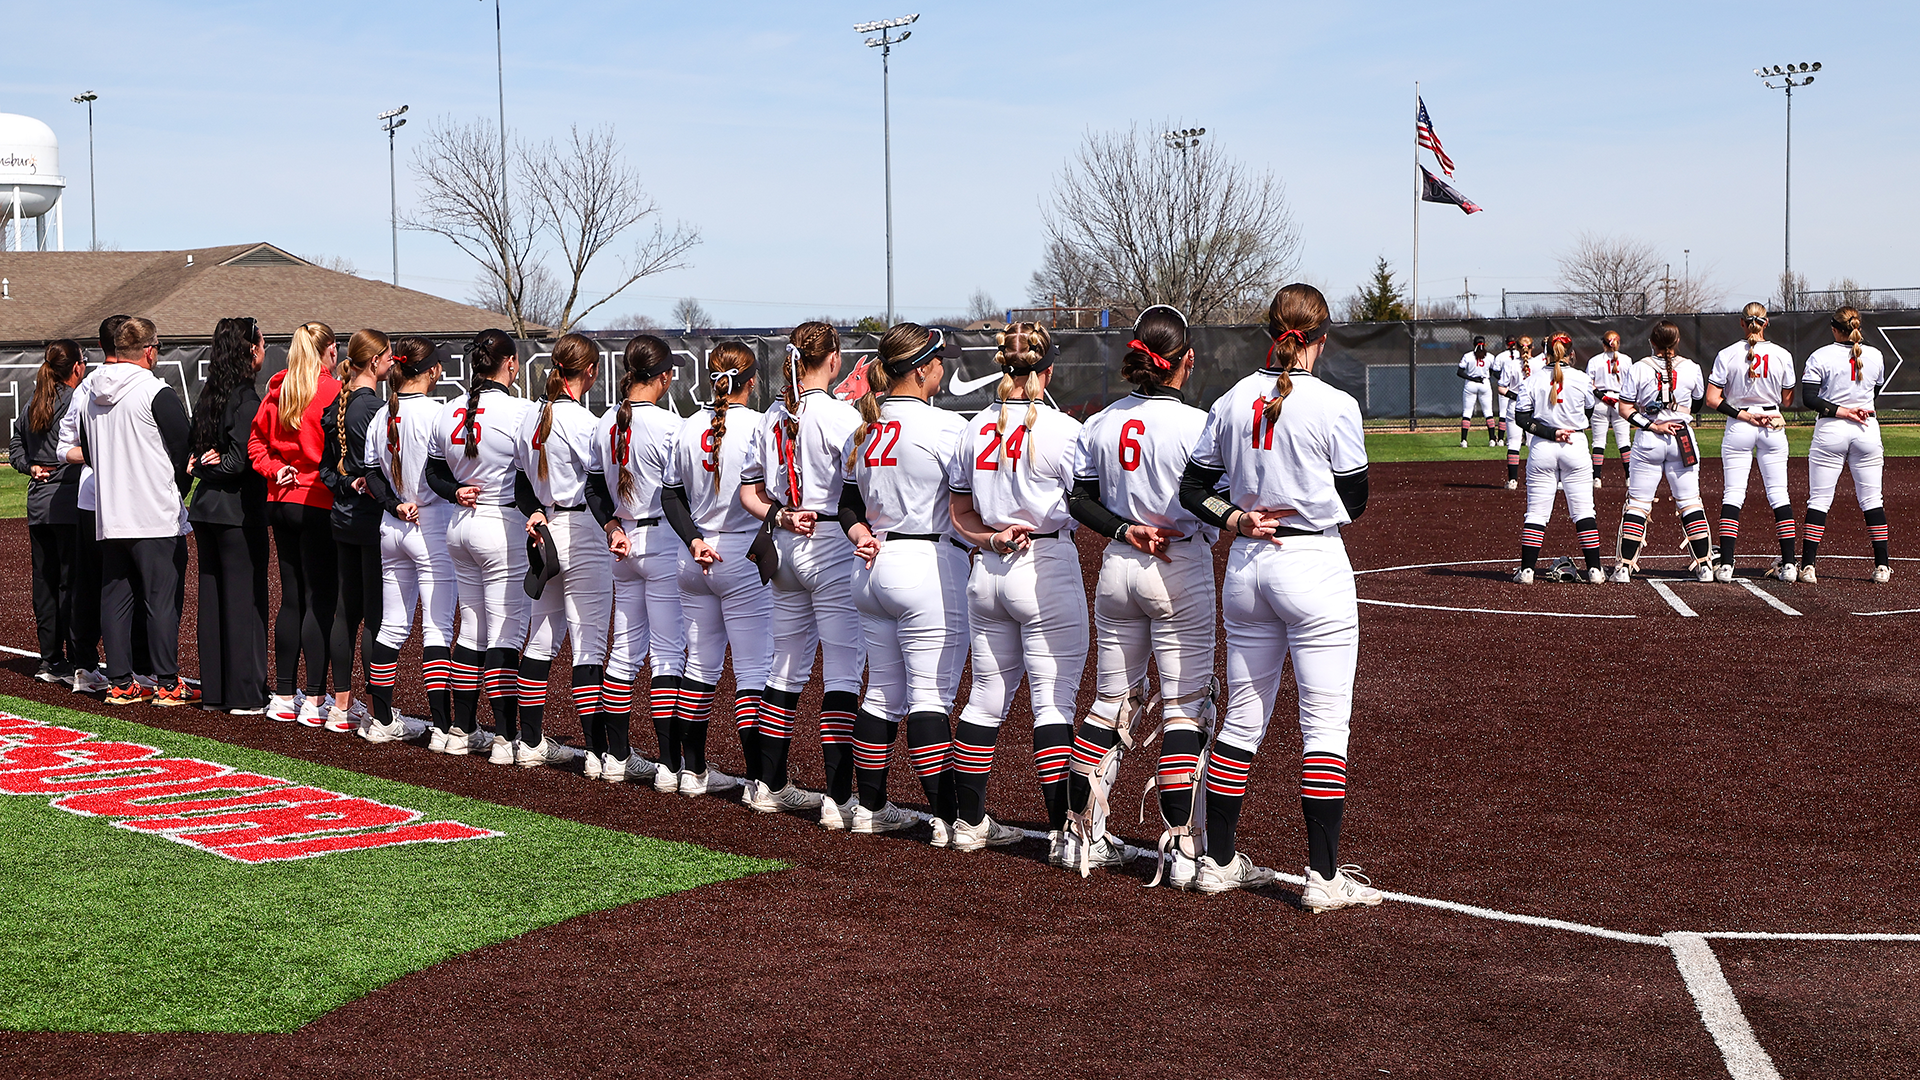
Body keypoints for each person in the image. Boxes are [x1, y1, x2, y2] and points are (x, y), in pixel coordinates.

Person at [1176, 282, 1381, 911]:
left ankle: (1216, 861)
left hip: (1246, 564)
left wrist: (1235, 518)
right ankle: (1322, 878)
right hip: (1311, 560)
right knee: (1324, 725)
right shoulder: (1335, 404)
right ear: (1320, 339)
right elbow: (1354, 502)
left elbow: (1194, 491)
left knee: (1243, 717)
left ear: (1271, 332)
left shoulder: (1232, 398)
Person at [1063, 305, 1219, 885]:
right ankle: (1180, 852)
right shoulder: (1199, 424)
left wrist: (1125, 528)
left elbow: (1079, 502)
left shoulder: (1100, 421)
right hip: (1178, 563)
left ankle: (1082, 835)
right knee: (1183, 709)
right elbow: (1215, 497)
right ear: (1186, 360)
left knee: (1108, 704)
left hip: (1119, 563)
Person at [946, 321, 1087, 853]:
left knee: (984, 701)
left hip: (988, 569)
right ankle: (1062, 834)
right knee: (1053, 705)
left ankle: (970, 822)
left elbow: (959, 514)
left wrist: (992, 535)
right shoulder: (1063, 430)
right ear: (1047, 371)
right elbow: (1091, 504)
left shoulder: (973, 427)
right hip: (1044, 565)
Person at [836, 324, 970, 836]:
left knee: (881, 694)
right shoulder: (944, 428)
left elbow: (848, 504)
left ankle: (869, 808)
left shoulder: (865, 426)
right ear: (920, 368)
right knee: (929, 698)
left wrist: (856, 533)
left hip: (871, 565)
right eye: (938, 360)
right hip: (926, 565)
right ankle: (950, 818)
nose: (945, 367)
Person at [738, 323, 864, 820]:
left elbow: (751, 494)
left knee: (784, 666)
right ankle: (838, 798)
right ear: (831, 359)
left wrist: (782, 515)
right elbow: (863, 489)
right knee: (841, 669)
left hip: (785, 542)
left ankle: (767, 785)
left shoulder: (771, 415)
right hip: (832, 541)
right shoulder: (840, 415)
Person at [660, 340, 769, 797]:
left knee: (699, 669)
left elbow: (671, 496)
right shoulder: (760, 425)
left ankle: (693, 771)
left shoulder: (687, 426)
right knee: (752, 673)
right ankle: (761, 782)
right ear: (750, 380)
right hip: (743, 555)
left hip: (695, 555)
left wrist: (695, 540)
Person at [426, 329, 535, 764]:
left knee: (470, 630)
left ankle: (462, 728)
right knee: (505, 633)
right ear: (509, 363)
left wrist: (455, 491)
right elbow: (532, 477)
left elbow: (435, 474)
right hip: (501, 524)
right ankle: (506, 738)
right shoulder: (521, 410)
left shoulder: (448, 409)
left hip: (460, 526)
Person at [82, 317, 199, 707]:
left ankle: (120, 683)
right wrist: (177, 490)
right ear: (149, 351)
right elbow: (185, 452)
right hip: (153, 513)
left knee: (115, 600)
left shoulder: (91, 393)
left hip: (112, 510)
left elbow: (88, 449)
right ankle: (166, 683)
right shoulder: (156, 391)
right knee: (161, 601)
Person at [514, 333, 613, 769]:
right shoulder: (582, 421)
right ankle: (598, 752)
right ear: (589, 370)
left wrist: (535, 511)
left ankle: (530, 741)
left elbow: (519, 483)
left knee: (541, 638)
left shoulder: (531, 416)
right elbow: (601, 484)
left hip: (545, 528)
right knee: (588, 646)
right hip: (582, 529)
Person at [597, 335, 691, 785]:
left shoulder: (605, 421)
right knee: (668, 654)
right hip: (661, 542)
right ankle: (671, 766)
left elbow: (594, 490)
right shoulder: (672, 426)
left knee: (624, 652)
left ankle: (616, 756)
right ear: (664, 377)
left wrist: (612, 527)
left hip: (622, 543)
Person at [362, 337, 461, 746]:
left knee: (393, 626)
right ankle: (441, 728)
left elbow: (370, 475)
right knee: (436, 628)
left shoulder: (382, 414)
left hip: (392, 526)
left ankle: (381, 719)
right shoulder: (438, 414)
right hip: (432, 523)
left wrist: (395, 504)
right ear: (434, 370)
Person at [249, 321, 342, 726]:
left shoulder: (278, 388)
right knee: (319, 600)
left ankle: (285, 694)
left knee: (291, 599)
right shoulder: (331, 391)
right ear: (331, 351)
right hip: (317, 502)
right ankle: (315, 699)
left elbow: (257, 443)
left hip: (281, 500)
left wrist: (274, 468)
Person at [185, 318, 270, 714]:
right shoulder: (246, 399)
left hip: (205, 509)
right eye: (262, 343)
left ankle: (217, 691)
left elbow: (197, 455)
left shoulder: (209, 395)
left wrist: (201, 467)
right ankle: (245, 694)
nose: (265, 350)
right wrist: (206, 466)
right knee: (244, 601)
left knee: (213, 598)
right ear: (249, 350)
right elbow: (239, 463)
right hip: (236, 512)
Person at [319, 330, 394, 731]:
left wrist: (349, 484)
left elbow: (328, 471)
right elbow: (381, 471)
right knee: (376, 616)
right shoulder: (374, 409)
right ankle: (380, 712)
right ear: (374, 362)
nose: (392, 361)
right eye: (388, 356)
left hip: (342, 518)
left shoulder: (338, 404)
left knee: (346, 612)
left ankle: (341, 706)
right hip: (370, 521)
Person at [1612, 321, 1712, 583]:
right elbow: (1698, 403)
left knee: (1638, 503)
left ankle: (1624, 567)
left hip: (1649, 437)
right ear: (1676, 342)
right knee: (1690, 501)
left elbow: (1625, 409)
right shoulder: (1691, 367)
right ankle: (1704, 565)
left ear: (1652, 342)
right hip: (1682, 437)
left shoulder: (1638, 367)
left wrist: (1654, 423)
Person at [1797, 306, 1890, 584]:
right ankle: (1882, 567)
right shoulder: (1875, 355)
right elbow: (1873, 392)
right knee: (1873, 500)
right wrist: (1854, 409)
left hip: (1832, 430)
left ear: (1834, 327)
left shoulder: (1821, 355)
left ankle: (1809, 567)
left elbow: (1810, 399)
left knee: (1820, 500)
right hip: (1867, 428)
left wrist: (1841, 410)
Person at [1705, 304, 1797, 582]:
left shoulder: (1727, 354)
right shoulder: (1782, 354)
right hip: (1771, 423)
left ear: (1742, 323)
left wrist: (1743, 412)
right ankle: (1790, 565)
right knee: (1779, 493)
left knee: (1733, 493)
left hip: (1740, 424)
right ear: (1765, 323)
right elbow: (1788, 400)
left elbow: (1712, 399)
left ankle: (1727, 565)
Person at [12, 339, 85, 685]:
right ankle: (76, 658)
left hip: (39, 505)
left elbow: (15, 445)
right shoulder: (75, 401)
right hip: (68, 505)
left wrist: (30, 467)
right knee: (71, 582)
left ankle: (50, 659)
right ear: (75, 367)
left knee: (44, 583)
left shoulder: (32, 402)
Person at [1511, 334, 1605, 584]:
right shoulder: (1583, 378)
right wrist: (1565, 427)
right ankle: (1594, 570)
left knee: (1536, 514)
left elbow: (1522, 418)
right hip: (1575, 444)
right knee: (1584, 510)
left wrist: (1551, 431)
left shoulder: (1532, 379)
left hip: (1543, 446)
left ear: (1546, 353)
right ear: (1571, 353)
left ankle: (1527, 571)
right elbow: (1588, 410)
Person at [1586, 330, 1633, 488]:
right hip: (1620, 401)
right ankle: (1629, 477)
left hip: (1600, 401)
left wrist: (1603, 396)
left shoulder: (1594, 361)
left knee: (1598, 441)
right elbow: (1631, 385)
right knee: (1624, 441)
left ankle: (1597, 478)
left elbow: (1589, 385)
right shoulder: (1626, 360)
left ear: (1603, 343)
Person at [1494, 335, 1540, 489]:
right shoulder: (1540, 364)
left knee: (1514, 443)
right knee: (1534, 443)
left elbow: (1501, 388)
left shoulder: (1510, 364)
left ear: (1517, 348)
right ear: (1532, 347)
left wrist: (1516, 395)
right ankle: (1535, 478)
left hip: (1515, 406)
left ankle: (1513, 480)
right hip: (1534, 407)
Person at [1456, 335, 1498, 448]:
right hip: (1485, 383)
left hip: (1470, 384)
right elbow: (1494, 371)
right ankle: (1492, 440)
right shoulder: (1489, 356)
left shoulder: (1468, 356)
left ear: (1474, 344)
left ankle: (1464, 441)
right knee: (1488, 412)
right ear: (1484, 344)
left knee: (1467, 412)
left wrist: (1473, 378)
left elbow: (1459, 372)